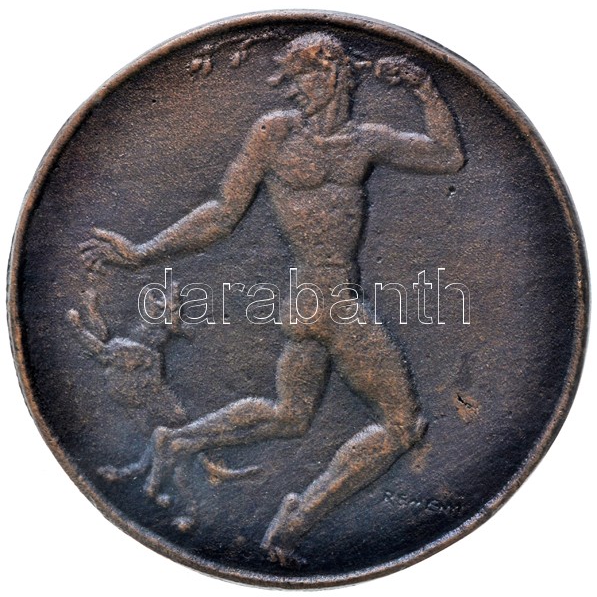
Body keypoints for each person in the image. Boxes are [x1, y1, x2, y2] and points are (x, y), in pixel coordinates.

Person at [81, 32, 464, 566]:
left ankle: (179, 441)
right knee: (403, 426)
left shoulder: (366, 140)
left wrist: (425, 90)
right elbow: (222, 211)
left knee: (290, 415)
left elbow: (447, 156)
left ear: (332, 73)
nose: (293, 91)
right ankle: (296, 520)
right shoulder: (275, 132)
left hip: (315, 298)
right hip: (328, 301)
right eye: (288, 81)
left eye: (300, 78)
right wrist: (143, 252)